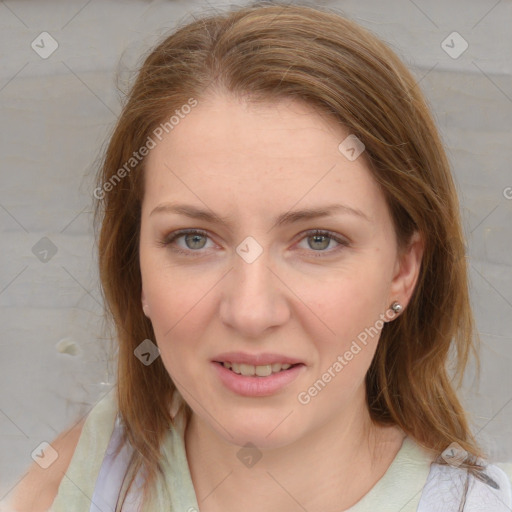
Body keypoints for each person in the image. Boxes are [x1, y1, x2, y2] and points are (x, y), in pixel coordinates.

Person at [10, 2, 512, 511]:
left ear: (403, 270)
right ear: (135, 265)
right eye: (193, 239)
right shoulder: (79, 474)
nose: (250, 313)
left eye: (318, 240)